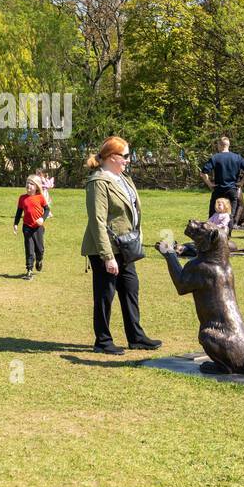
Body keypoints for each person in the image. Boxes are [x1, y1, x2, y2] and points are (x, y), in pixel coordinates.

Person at [81, 136, 160, 354]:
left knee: (130, 290)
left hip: (126, 246)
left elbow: (133, 208)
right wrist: (107, 257)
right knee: (105, 294)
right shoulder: (98, 182)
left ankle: (136, 337)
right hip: (106, 248)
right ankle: (103, 341)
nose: (128, 160)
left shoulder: (123, 178)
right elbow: (97, 221)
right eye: (125, 156)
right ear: (111, 157)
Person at [201, 136, 244, 217]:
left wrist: (209, 184)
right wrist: (241, 182)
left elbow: (203, 173)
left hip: (218, 189)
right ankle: (229, 226)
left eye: (217, 145)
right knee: (230, 216)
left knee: (212, 215)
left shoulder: (215, 157)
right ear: (228, 145)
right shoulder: (237, 157)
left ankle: (212, 226)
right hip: (232, 190)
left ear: (220, 145)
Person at [13, 176, 50, 279]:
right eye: (28, 183)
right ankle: (29, 270)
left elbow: (47, 210)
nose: (29, 185)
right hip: (27, 227)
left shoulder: (40, 198)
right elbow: (19, 212)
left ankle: (39, 260)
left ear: (37, 187)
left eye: (32, 184)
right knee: (29, 249)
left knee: (40, 249)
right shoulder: (22, 198)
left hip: (38, 228)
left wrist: (42, 219)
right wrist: (15, 224)